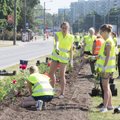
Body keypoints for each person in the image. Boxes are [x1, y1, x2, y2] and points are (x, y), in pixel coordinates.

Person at [49, 22, 74, 98]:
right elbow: (57, 42)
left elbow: (71, 49)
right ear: (61, 28)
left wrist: (71, 60)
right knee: (51, 73)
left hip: (64, 57)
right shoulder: (57, 34)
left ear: (68, 28)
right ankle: (52, 90)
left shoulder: (71, 37)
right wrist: (56, 47)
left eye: (66, 28)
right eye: (63, 28)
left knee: (62, 75)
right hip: (56, 56)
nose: (64, 29)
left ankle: (62, 93)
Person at [96, 24, 116, 113]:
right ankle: (110, 105)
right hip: (108, 68)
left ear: (105, 32)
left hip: (106, 68)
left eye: (101, 32)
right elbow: (104, 55)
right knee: (107, 87)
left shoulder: (108, 42)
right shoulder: (108, 40)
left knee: (105, 88)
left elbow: (108, 56)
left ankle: (105, 107)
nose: (100, 34)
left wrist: (104, 67)